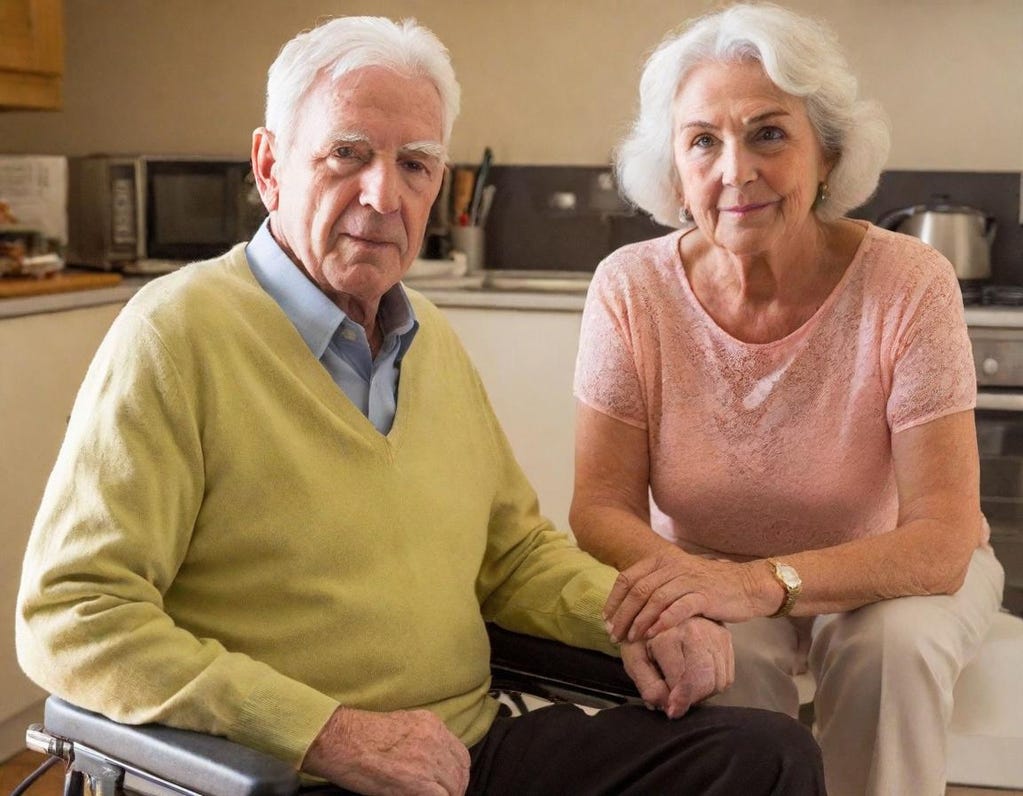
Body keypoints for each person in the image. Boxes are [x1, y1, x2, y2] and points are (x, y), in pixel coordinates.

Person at [16, 15, 826, 796]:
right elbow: (74, 616)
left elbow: (510, 557)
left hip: (463, 753)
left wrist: (634, 617)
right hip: (288, 773)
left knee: (764, 758)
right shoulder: (176, 334)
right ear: (268, 167)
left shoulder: (426, 335)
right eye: (347, 154)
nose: (382, 193)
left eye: (415, 164)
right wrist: (326, 733)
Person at [570, 4, 1005, 796]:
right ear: (672, 166)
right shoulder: (630, 288)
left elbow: (942, 539)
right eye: (702, 139)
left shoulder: (907, 281)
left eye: (768, 133)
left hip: (893, 571)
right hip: (704, 565)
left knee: (890, 650)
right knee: (724, 669)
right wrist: (691, 585)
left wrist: (758, 583)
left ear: (827, 153)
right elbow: (599, 506)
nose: (733, 170)